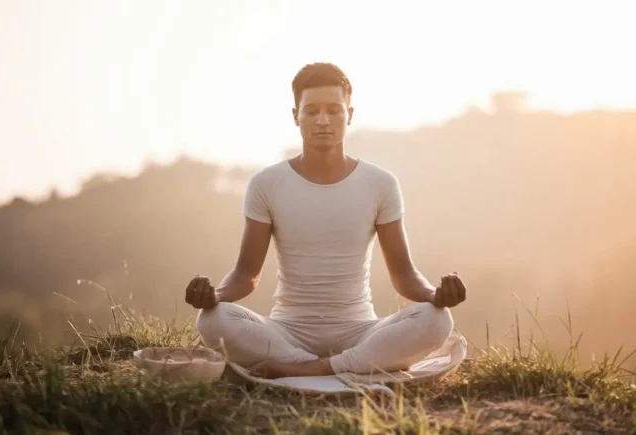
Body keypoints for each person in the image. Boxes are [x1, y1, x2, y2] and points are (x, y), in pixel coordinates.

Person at [185, 62, 466, 379]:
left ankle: (311, 368)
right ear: (296, 116)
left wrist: (434, 296)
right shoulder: (267, 183)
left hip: (359, 329)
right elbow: (247, 274)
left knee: (437, 319)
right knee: (211, 319)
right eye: (312, 111)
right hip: (286, 331)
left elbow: (404, 275)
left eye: (334, 110)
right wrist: (215, 297)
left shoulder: (380, 183)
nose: (323, 120)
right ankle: (341, 364)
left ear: (350, 115)